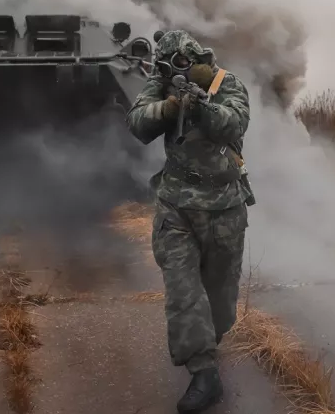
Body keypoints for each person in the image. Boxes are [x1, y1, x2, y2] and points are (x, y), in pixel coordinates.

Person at [126, 29, 255, 414]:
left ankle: (208, 341)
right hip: (176, 205)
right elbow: (137, 123)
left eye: (184, 61)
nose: (177, 68)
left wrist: (201, 104)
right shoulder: (161, 83)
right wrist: (169, 105)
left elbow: (234, 124)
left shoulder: (225, 82)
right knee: (184, 291)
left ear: (199, 57)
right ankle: (203, 372)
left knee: (219, 301)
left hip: (225, 208)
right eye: (170, 63)